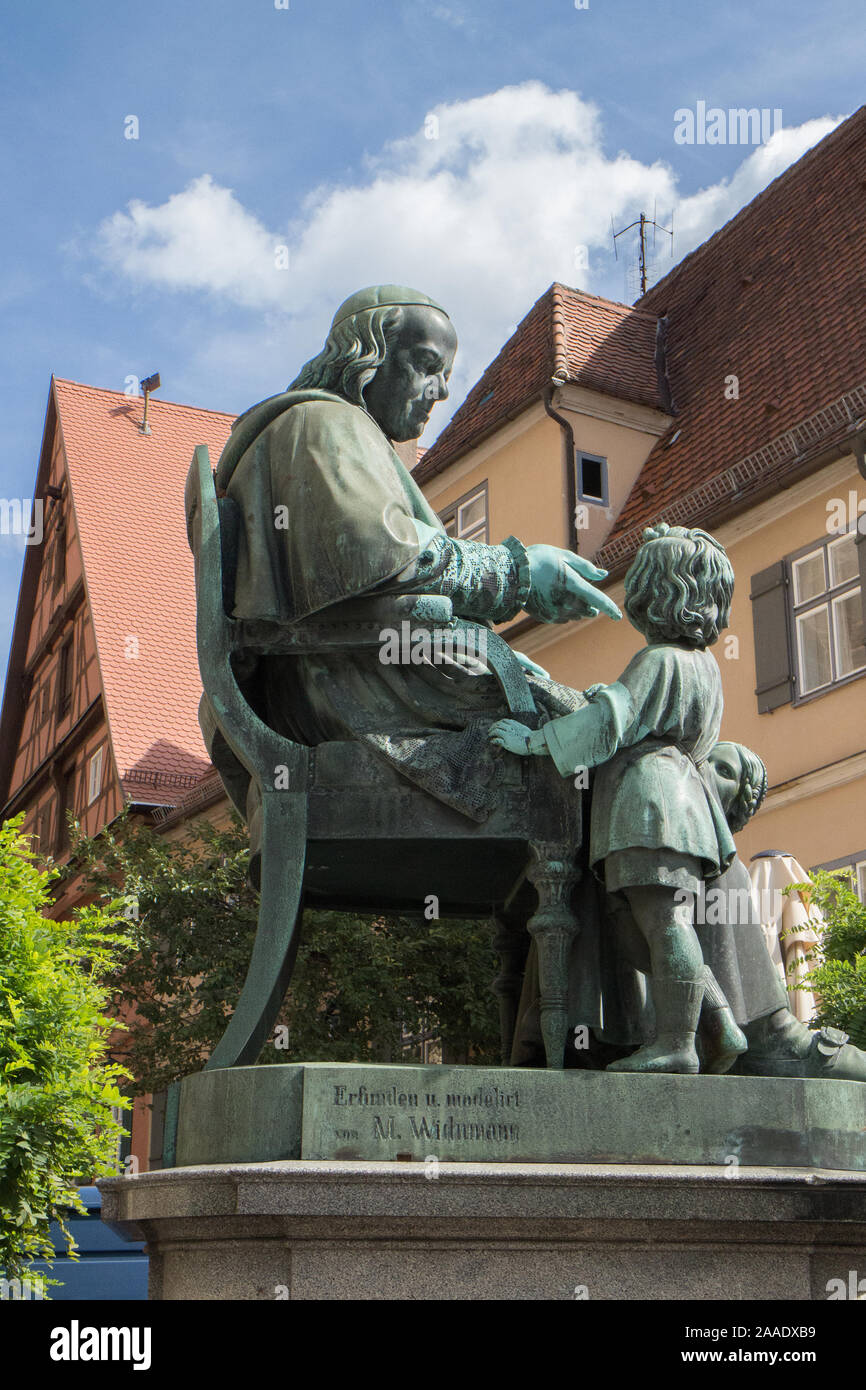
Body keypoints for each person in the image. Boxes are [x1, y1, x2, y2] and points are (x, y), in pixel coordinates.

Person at [212, 284, 621, 822]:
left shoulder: (315, 432)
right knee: (604, 748)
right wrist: (519, 574)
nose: (441, 391)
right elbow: (383, 552)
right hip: (364, 700)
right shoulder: (323, 426)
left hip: (349, 682)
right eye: (427, 366)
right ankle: (588, 903)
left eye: (447, 376)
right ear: (367, 356)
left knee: (592, 737)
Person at [490, 523, 741, 1073]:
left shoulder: (661, 660)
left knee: (660, 924)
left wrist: (532, 740)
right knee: (639, 932)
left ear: (657, 593)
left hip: (649, 804)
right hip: (679, 801)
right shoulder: (704, 667)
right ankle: (718, 1027)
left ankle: (678, 1044)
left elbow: (611, 720)